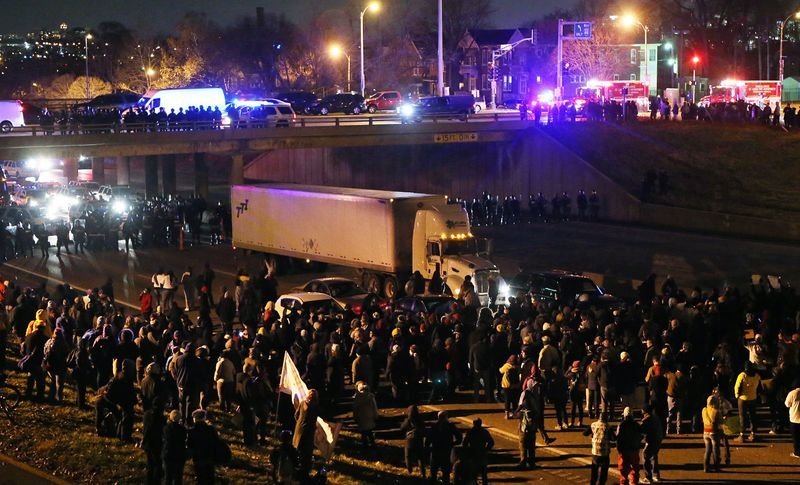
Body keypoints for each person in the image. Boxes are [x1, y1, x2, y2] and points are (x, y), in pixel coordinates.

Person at [426, 411, 462, 485]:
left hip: (435, 451)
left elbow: (428, 440)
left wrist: (428, 447)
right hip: (446, 451)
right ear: (446, 417)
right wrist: (453, 443)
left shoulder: (434, 426)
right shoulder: (450, 426)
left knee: (433, 472)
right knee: (445, 473)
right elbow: (459, 437)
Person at [293, 389, 320, 480]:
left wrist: (300, 423)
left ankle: (297, 470)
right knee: (307, 453)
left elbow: (296, 415)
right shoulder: (315, 406)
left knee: (299, 450)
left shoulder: (302, 403)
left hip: (299, 430)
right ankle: (304, 473)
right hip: (308, 432)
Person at [187, 409, 219, 485]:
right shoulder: (211, 429)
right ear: (204, 418)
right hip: (210, 458)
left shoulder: (191, 431)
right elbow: (216, 442)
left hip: (198, 459)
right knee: (210, 479)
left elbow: (189, 445)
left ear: (195, 419)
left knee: (200, 479)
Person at [734, 361, 761, 442]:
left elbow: (737, 387)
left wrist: (737, 396)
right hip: (753, 398)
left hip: (743, 399)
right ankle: (753, 434)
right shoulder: (757, 376)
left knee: (742, 417)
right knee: (753, 416)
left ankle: (742, 435)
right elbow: (759, 387)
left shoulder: (742, 375)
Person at [462, 418, 494, 485]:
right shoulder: (484, 432)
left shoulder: (470, 432)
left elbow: (465, 443)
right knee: (484, 473)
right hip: (482, 453)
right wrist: (486, 449)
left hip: (473, 453)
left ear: (473, 423)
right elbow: (491, 442)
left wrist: (467, 452)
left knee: (474, 473)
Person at [142, 397, 166, 485]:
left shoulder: (146, 414)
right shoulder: (161, 417)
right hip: (156, 444)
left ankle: (149, 481)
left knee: (150, 464)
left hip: (147, 442)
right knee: (157, 465)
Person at [615, 406, 641, 485]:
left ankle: (623, 483)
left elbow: (618, 438)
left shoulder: (621, 425)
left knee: (623, 469)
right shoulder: (636, 425)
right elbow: (640, 436)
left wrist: (618, 449)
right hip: (634, 449)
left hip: (624, 450)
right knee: (634, 468)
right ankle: (633, 482)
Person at [584, 413, 611, 485]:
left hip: (595, 452)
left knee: (594, 471)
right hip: (604, 452)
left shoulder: (593, 425)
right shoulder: (608, 426)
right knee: (603, 472)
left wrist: (593, 435)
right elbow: (613, 438)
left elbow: (585, 433)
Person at [400, 404, 427, 478]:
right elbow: (424, 431)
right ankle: (423, 474)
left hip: (409, 441)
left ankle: (410, 471)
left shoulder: (408, 420)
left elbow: (401, 428)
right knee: (420, 458)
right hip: (418, 440)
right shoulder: (420, 420)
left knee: (408, 457)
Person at [640, 404, 664, 483]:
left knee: (645, 456)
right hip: (658, 439)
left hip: (651, 441)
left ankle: (648, 477)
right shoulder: (655, 417)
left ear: (644, 411)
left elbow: (641, 431)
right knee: (654, 456)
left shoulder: (646, 420)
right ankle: (656, 476)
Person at [162, 410, 187, 485]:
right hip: (179, 455)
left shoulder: (166, 428)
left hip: (168, 454)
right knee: (178, 477)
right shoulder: (182, 429)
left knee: (168, 477)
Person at [352, 381, 379, 446]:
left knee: (363, 432)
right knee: (370, 431)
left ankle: (365, 444)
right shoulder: (371, 396)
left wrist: (355, 417)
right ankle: (372, 443)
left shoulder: (357, 397)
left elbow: (355, 409)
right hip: (370, 416)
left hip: (361, 416)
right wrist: (376, 415)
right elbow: (374, 407)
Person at [702, 395, 723, 472]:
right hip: (714, 432)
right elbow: (721, 421)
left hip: (705, 432)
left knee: (707, 450)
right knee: (715, 450)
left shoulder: (704, 410)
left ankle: (706, 467)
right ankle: (717, 467)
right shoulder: (716, 411)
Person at [785, 381, 800, 458]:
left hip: (794, 418)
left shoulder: (792, 393)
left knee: (796, 437)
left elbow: (787, 404)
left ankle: (797, 453)